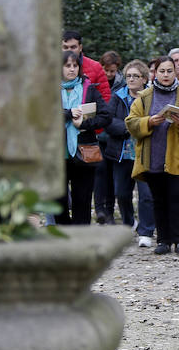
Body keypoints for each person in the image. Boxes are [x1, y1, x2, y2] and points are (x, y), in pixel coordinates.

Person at [126, 56, 179, 255]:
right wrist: (149, 122)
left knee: (178, 198)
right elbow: (131, 123)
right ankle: (163, 240)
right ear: (155, 73)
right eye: (162, 71)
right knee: (159, 199)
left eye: (170, 71)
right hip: (153, 158)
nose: (166, 75)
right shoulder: (144, 96)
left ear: (175, 72)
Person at [104, 59, 156, 247]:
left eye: (136, 76)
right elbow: (109, 121)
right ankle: (128, 222)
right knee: (122, 193)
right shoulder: (117, 96)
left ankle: (146, 231)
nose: (131, 79)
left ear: (144, 79)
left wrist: (139, 126)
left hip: (145, 153)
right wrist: (132, 127)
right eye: (128, 76)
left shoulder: (152, 97)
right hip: (121, 154)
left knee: (146, 194)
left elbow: (155, 120)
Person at [58, 51, 109, 224]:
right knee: (58, 200)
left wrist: (84, 124)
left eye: (75, 65)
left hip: (85, 151)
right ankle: (63, 236)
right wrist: (68, 114)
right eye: (67, 66)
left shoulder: (89, 88)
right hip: (57, 153)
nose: (72, 69)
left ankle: (81, 241)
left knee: (83, 199)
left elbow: (105, 116)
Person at [94, 50, 125, 225]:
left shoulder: (121, 85)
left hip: (113, 135)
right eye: (107, 71)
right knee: (100, 173)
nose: (109, 74)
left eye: (112, 71)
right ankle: (100, 209)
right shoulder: (95, 81)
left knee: (113, 175)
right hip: (99, 135)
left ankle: (110, 211)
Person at [62, 29, 111, 103]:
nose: (69, 50)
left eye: (73, 47)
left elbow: (105, 97)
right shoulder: (50, 67)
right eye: (65, 47)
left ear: (80, 48)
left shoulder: (95, 67)